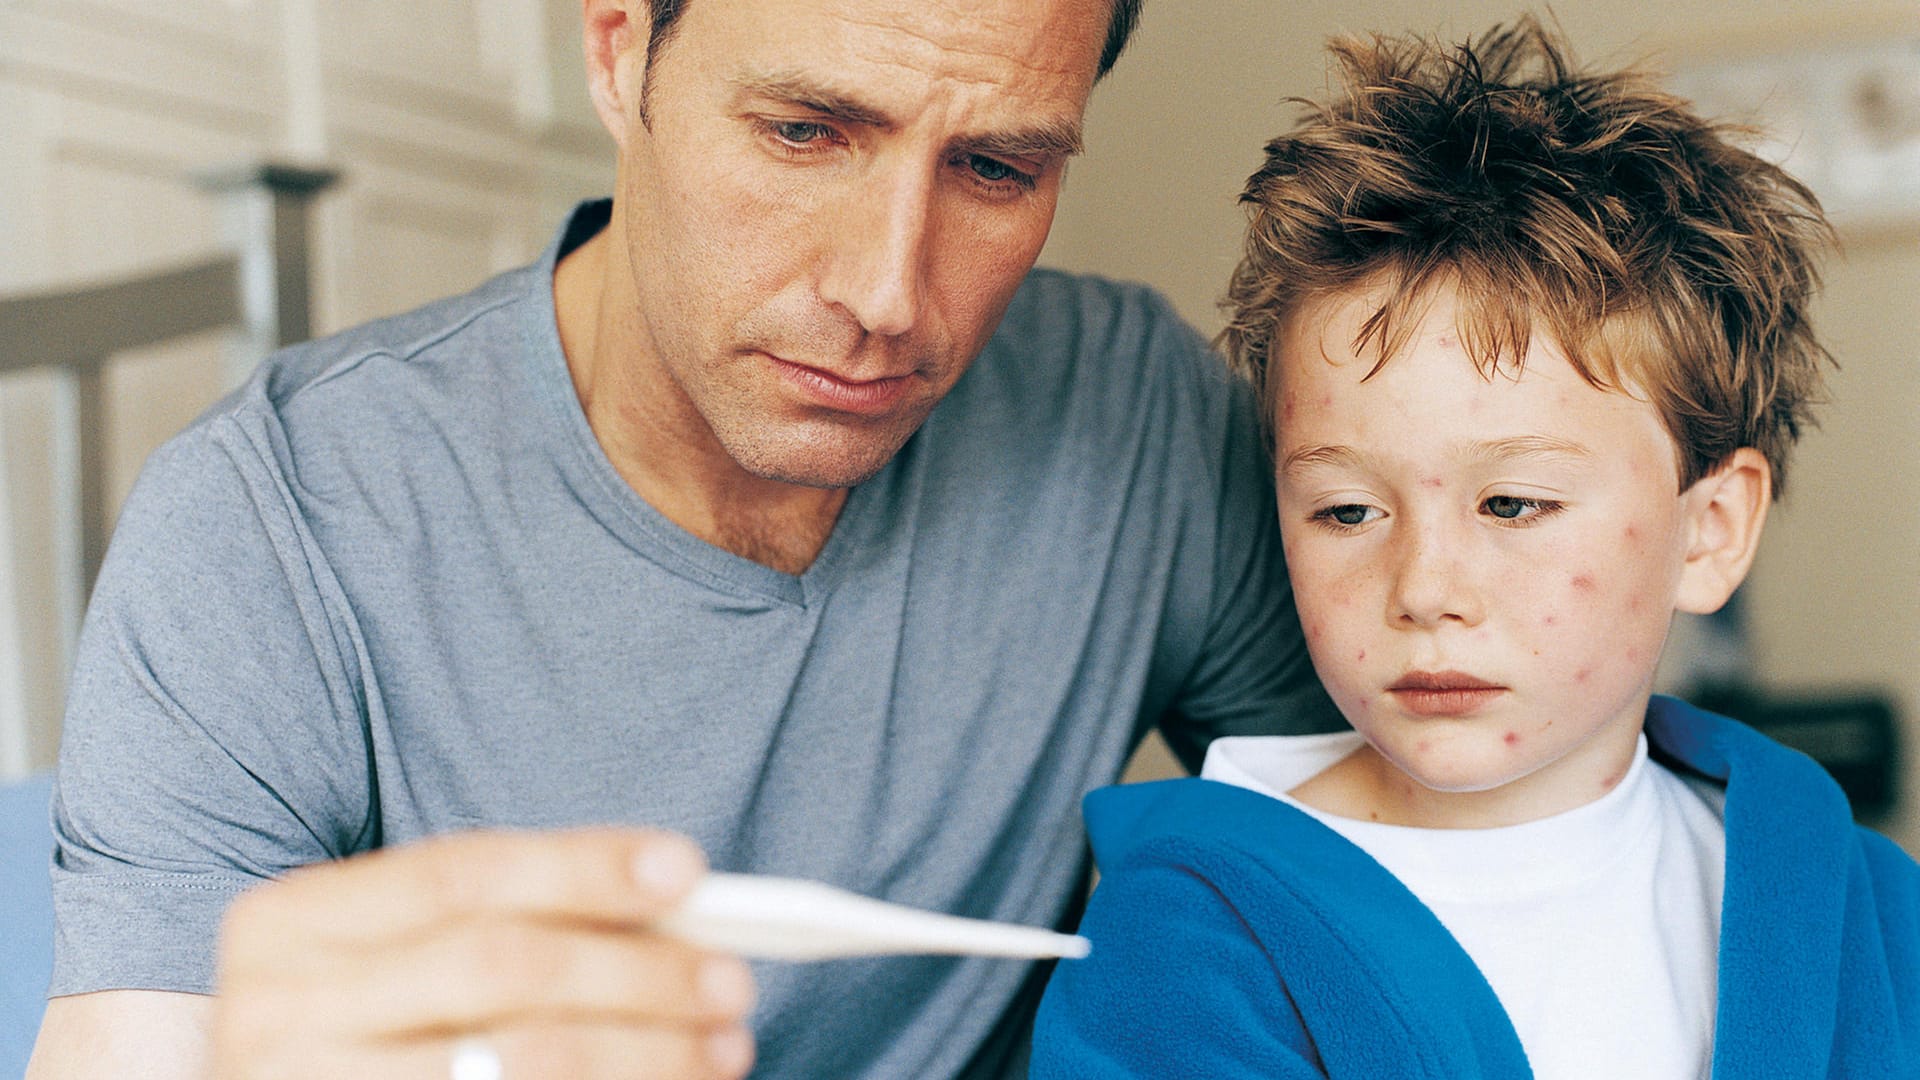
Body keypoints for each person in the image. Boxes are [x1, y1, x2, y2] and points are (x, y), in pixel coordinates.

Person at [26, 1, 1342, 1078]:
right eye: (804, 131)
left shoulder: (1134, 417)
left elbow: (1410, 842)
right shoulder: (272, 522)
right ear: (616, 52)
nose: (885, 295)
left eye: (997, 168)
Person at [1031, 18, 1920, 1079]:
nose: (1424, 589)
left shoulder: (1859, 905)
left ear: (1710, 531)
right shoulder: (1182, 949)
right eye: (1347, 512)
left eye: (1513, 503)